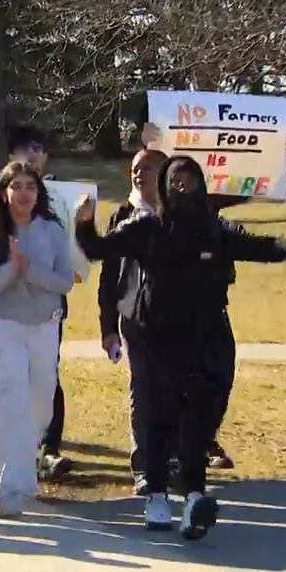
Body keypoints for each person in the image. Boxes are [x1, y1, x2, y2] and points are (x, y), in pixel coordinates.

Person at [74, 155, 286, 540]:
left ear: (201, 184)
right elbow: (97, 249)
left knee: (196, 417)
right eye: (176, 181)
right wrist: (84, 222)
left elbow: (259, 247)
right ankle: (156, 494)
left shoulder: (213, 229)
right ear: (166, 187)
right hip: (155, 336)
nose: (183, 187)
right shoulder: (147, 225)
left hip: (201, 335)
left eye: (190, 180)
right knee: (156, 414)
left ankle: (192, 499)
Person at [0, 160, 74, 518]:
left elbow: (65, 281)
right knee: (11, 400)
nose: (23, 193)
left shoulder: (52, 230)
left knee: (40, 403)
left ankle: (24, 470)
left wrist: (29, 270)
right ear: (4, 192)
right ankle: (11, 484)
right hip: (2, 325)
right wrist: (10, 270)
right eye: (16, 186)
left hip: (44, 325)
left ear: (38, 192)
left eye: (30, 186)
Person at [97, 148, 168, 494]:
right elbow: (108, 275)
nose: (140, 175)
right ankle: (143, 467)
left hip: (178, 318)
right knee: (142, 389)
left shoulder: (182, 212)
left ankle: (173, 459)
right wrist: (107, 328)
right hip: (134, 317)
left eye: (148, 169)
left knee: (176, 390)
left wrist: (280, 157)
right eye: (135, 169)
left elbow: (239, 193)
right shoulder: (123, 215)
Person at [6, 125, 75, 480]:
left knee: (47, 373)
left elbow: (74, 251)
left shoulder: (64, 197)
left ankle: (49, 448)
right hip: (4, 305)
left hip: (49, 300)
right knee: (9, 376)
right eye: (24, 149)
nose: (32, 155)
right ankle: (8, 450)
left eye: (38, 148)